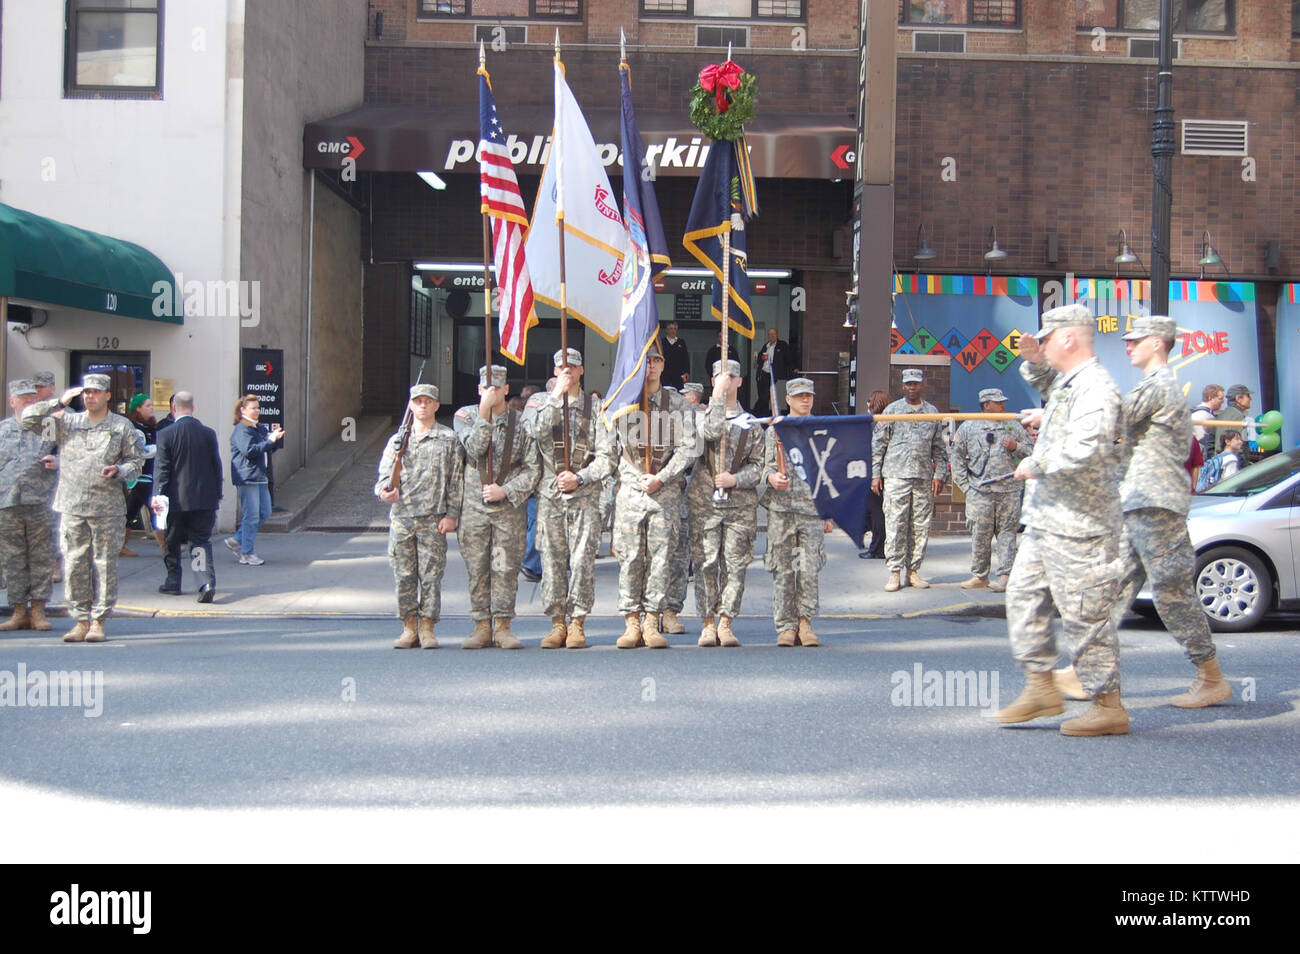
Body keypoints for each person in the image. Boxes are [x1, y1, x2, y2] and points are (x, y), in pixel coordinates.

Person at [1053, 314, 1230, 710]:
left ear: (1157, 343)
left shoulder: (1160, 386)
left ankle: (1211, 676)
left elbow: (1111, 415)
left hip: (1156, 504)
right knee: (1113, 589)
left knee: (1172, 592)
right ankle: (1087, 672)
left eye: (1136, 340)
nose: (1128, 345)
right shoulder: (1153, 386)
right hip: (1139, 501)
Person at [993, 303, 1126, 736]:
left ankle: (1108, 705)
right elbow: (1055, 395)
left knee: (1084, 613)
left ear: (1069, 337)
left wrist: (1037, 461)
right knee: (1023, 595)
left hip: (1080, 523)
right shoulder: (1072, 382)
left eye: (1047, 339)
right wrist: (1035, 372)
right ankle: (1040, 686)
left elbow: (1089, 444)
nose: (1043, 345)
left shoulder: (1097, 387)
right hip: (1049, 518)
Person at [22, 373, 145, 643]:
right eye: (86, 392)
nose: (90, 396)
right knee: (75, 563)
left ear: (107, 395)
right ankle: (80, 620)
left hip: (106, 508)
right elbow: (29, 420)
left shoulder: (121, 426)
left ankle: (99, 620)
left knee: (103, 565)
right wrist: (58, 402)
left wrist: (119, 470)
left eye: (96, 392)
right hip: (72, 504)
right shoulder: (66, 422)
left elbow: (137, 462)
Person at [611, 348, 698, 648]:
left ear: (664, 364)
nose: (651, 365)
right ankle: (631, 621)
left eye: (656, 359)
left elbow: (689, 448)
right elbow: (610, 449)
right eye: (646, 359)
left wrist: (662, 476)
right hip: (632, 491)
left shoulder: (677, 404)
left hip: (665, 492)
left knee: (661, 559)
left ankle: (651, 620)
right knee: (631, 557)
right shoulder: (623, 402)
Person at [533, 349, 616, 649]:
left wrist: (580, 477)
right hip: (551, 497)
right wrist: (556, 397)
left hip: (584, 497)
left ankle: (578, 622)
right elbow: (534, 433)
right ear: (554, 372)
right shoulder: (542, 405)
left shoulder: (597, 409)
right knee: (553, 562)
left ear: (582, 371)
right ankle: (557, 623)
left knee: (582, 562)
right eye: (561, 367)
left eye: (573, 366)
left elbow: (608, 458)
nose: (567, 371)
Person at [454, 365, 539, 650]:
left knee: (504, 566)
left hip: (507, 511)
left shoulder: (521, 422)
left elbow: (532, 469)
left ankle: (502, 625)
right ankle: (481, 626)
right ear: (479, 390)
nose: (491, 391)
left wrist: (506, 490)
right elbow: (474, 449)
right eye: (486, 387)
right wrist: (483, 413)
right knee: (478, 568)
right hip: (474, 510)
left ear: (506, 389)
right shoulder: (465, 417)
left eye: (497, 387)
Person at [376, 384, 462, 649]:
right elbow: (383, 478)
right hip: (402, 518)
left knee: (431, 577)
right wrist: (383, 493)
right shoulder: (398, 440)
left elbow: (456, 480)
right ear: (411, 406)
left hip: (432, 519)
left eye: (428, 401)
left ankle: (427, 627)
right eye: (418, 401)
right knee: (403, 575)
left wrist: (452, 515)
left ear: (437, 405)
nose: (422, 405)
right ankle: (408, 626)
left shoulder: (449, 439)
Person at [690, 359, 765, 647]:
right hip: (705, 502)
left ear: (740, 382)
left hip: (739, 505)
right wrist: (716, 399)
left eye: (731, 376)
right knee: (707, 563)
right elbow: (708, 434)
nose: (726, 380)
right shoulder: (700, 416)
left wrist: (736, 479)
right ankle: (707, 623)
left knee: (736, 565)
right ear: (712, 381)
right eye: (720, 376)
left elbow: (759, 465)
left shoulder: (752, 424)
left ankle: (726, 621)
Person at [762, 378, 833, 646]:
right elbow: (765, 466)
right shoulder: (776, 431)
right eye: (799, 396)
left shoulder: (821, 430)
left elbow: (828, 474)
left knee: (809, 568)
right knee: (783, 569)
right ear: (788, 400)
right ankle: (786, 626)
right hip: (781, 510)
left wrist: (828, 511)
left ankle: (805, 622)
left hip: (811, 511)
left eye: (809, 395)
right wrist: (771, 478)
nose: (805, 400)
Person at [949, 387, 1034, 592]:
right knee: (980, 534)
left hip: (1008, 490)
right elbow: (956, 457)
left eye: (1003, 401)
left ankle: (1005, 575)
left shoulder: (1013, 427)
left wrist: (1016, 447)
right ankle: (980, 575)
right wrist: (966, 487)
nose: (1003, 405)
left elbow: (1032, 452)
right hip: (980, 492)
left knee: (1007, 533)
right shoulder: (969, 428)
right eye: (998, 402)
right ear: (986, 405)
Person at [871, 369, 948, 591]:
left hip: (923, 477)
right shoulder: (892, 411)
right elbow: (878, 445)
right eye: (908, 384)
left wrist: (940, 474)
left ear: (922, 384)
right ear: (902, 386)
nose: (912, 387)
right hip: (896, 475)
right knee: (895, 524)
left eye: (915, 383)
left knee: (920, 526)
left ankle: (913, 571)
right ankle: (894, 571)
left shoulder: (932, 412)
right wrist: (875, 474)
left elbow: (939, 449)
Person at [152, 391, 223, 603]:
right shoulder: (208, 433)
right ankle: (204, 582)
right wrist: (217, 493)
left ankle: (173, 581)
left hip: (176, 500)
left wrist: (158, 494)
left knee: (172, 542)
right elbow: (216, 465)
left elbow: (162, 468)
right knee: (199, 542)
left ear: (173, 408)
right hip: (204, 499)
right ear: (193, 408)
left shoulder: (166, 434)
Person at [0, 380, 58, 632]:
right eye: (23, 398)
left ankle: (38, 610)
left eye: (32, 399)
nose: (29, 403)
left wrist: (58, 460)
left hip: (41, 502)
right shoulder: (2, 431)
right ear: (11, 401)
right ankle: (18, 610)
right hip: (8, 503)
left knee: (42, 557)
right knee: (12, 558)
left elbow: (71, 454)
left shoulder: (49, 429)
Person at [663, 380, 706, 633]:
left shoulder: (693, 421)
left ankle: (671, 611)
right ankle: (649, 612)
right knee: (653, 559)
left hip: (684, 492)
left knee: (679, 558)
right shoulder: (648, 424)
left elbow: (697, 451)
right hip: (656, 494)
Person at [228, 394, 284, 566]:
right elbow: (250, 451)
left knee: (265, 512)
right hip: (247, 477)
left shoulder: (256, 428)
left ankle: (237, 540)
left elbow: (265, 449)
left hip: (260, 476)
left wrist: (273, 440)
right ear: (243, 410)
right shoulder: (241, 429)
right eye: (253, 408)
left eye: (258, 407)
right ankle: (247, 553)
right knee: (251, 515)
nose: (256, 411)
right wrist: (269, 441)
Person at [124, 394, 164, 556]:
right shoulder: (136, 429)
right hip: (141, 476)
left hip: (147, 474)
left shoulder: (148, 427)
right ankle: (165, 546)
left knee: (131, 511)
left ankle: (120, 545)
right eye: (148, 405)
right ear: (138, 409)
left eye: (151, 405)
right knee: (155, 509)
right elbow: (141, 452)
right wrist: (158, 448)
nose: (151, 408)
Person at [858, 389, 890, 560]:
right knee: (876, 511)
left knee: (877, 511)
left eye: (870, 401)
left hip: (875, 473)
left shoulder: (874, 424)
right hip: (886, 472)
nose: (867, 404)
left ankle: (877, 548)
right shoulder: (890, 422)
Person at [753, 327, 793, 417]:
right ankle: (764, 415)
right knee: (763, 397)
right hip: (762, 373)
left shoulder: (782, 345)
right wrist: (762, 358)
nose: (771, 336)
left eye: (773, 334)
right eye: (770, 334)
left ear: (777, 335)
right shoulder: (766, 346)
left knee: (766, 396)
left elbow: (788, 359)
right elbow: (759, 358)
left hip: (772, 374)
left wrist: (793, 368)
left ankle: (755, 413)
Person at [1190, 384, 1223, 461]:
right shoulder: (1203, 415)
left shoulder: (1196, 412)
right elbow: (1201, 440)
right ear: (1210, 398)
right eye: (1220, 399)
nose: (1223, 401)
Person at [1215, 384, 1252, 453]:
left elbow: (1210, 443)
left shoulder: (1219, 415)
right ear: (1238, 398)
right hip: (1234, 460)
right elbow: (1241, 446)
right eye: (1248, 396)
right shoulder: (1238, 416)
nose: (1250, 399)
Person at [662, 321, 691, 390]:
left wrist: (687, 372)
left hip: (678, 374)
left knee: (679, 393)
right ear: (666, 330)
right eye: (671, 328)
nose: (673, 331)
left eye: (675, 329)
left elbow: (685, 358)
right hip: (665, 374)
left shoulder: (681, 342)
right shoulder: (662, 342)